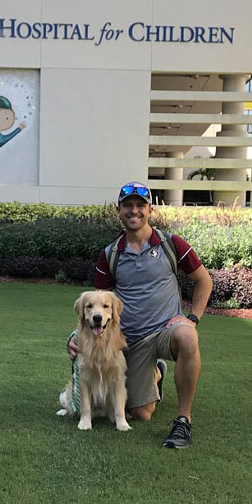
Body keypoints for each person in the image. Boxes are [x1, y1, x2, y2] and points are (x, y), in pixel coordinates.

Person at [68, 181, 213, 448]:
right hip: (131, 340)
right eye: (127, 206)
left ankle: (183, 420)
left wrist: (191, 318)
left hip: (166, 330)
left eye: (140, 206)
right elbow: (96, 306)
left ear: (150, 210)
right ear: (119, 210)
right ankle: (157, 372)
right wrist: (76, 337)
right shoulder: (110, 254)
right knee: (141, 414)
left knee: (188, 336)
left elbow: (204, 281)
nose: (134, 211)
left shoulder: (172, 244)